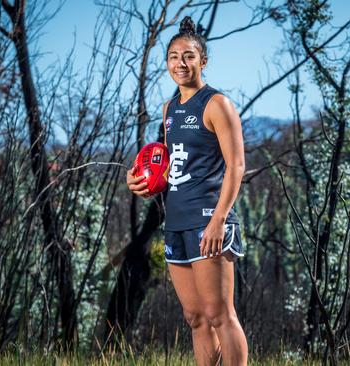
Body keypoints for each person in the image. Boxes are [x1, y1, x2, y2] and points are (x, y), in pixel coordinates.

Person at [126, 16, 248, 366]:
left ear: (202, 61)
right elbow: (165, 165)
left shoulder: (216, 104)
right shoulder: (169, 109)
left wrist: (219, 221)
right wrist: (139, 181)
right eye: (174, 56)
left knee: (220, 315)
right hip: (176, 222)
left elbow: (237, 166)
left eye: (189, 56)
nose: (180, 63)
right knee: (195, 317)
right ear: (167, 62)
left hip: (209, 219)